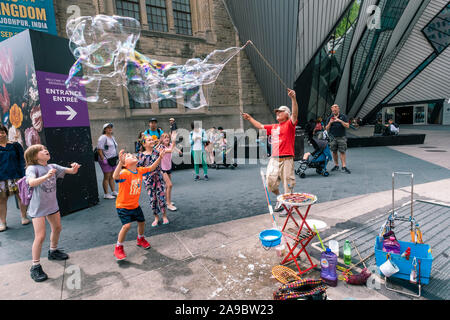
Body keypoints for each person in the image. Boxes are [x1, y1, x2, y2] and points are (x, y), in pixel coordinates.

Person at [24, 144, 81, 282]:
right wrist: (46, 176)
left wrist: (74, 168)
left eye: (45, 148)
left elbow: (71, 171)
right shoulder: (32, 168)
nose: (45, 150)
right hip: (38, 208)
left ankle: (53, 251)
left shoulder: (52, 166)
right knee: (40, 236)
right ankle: (35, 266)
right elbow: (31, 182)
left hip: (52, 205)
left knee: (57, 228)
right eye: (41, 150)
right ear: (34, 156)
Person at [242, 88, 298, 215]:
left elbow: (295, 114)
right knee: (270, 183)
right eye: (277, 112)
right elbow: (260, 126)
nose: (277, 113)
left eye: (281, 111)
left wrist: (293, 98)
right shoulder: (274, 126)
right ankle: (281, 199)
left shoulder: (290, 124)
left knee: (288, 184)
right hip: (274, 158)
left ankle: (289, 206)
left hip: (287, 158)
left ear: (287, 115)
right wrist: (249, 118)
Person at [112, 149, 165, 261]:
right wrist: (120, 163)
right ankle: (118, 247)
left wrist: (160, 157)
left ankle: (140, 239)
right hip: (122, 206)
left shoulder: (140, 171)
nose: (132, 155)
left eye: (131, 154)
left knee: (142, 222)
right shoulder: (124, 173)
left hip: (135, 205)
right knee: (127, 226)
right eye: (129, 156)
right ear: (125, 164)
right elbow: (115, 177)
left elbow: (151, 168)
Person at [0, 125, 30, 231]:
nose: (0, 134)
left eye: (2, 132)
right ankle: (3, 223)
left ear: (6, 133)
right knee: (2, 200)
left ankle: (24, 217)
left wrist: (23, 174)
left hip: (17, 176)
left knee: (21, 196)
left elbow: (22, 160)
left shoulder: (15, 145)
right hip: (1, 178)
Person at [138, 136, 169, 227]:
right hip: (148, 180)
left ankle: (164, 216)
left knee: (161, 197)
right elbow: (139, 168)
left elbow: (166, 148)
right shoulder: (141, 155)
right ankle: (156, 217)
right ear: (144, 144)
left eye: (152, 139)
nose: (151, 141)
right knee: (153, 199)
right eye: (149, 140)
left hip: (158, 178)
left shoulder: (157, 151)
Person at [160, 132, 182, 211]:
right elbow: (170, 150)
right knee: (169, 185)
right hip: (162, 169)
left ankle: (167, 201)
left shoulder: (169, 145)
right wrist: (173, 140)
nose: (167, 138)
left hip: (168, 167)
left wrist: (178, 150)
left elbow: (173, 148)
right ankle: (168, 204)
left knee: (167, 186)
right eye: (165, 137)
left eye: (168, 137)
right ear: (161, 140)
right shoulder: (160, 147)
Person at [325, 104, 351, 174]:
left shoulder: (343, 117)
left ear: (338, 109)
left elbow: (347, 126)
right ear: (331, 110)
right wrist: (330, 122)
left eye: (335, 110)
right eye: (333, 110)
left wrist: (340, 121)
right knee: (334, 151)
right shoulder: (330, 118)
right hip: (332, 137)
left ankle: (344, 166)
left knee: (342, 151)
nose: (334, 111)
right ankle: (336, 165)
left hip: (341, 137)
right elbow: (326, 128)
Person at [98, 123, 119, 199]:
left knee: (112, 176)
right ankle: (106, 194)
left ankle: (113, 191)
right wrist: (103, 159)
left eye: (111, 127)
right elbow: (99, 149)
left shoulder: (112, 137)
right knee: (107, 176)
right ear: (104, 129)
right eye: (108, 127)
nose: (110, 129)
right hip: (106, 160)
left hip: (112, 159)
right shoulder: (102, 137)